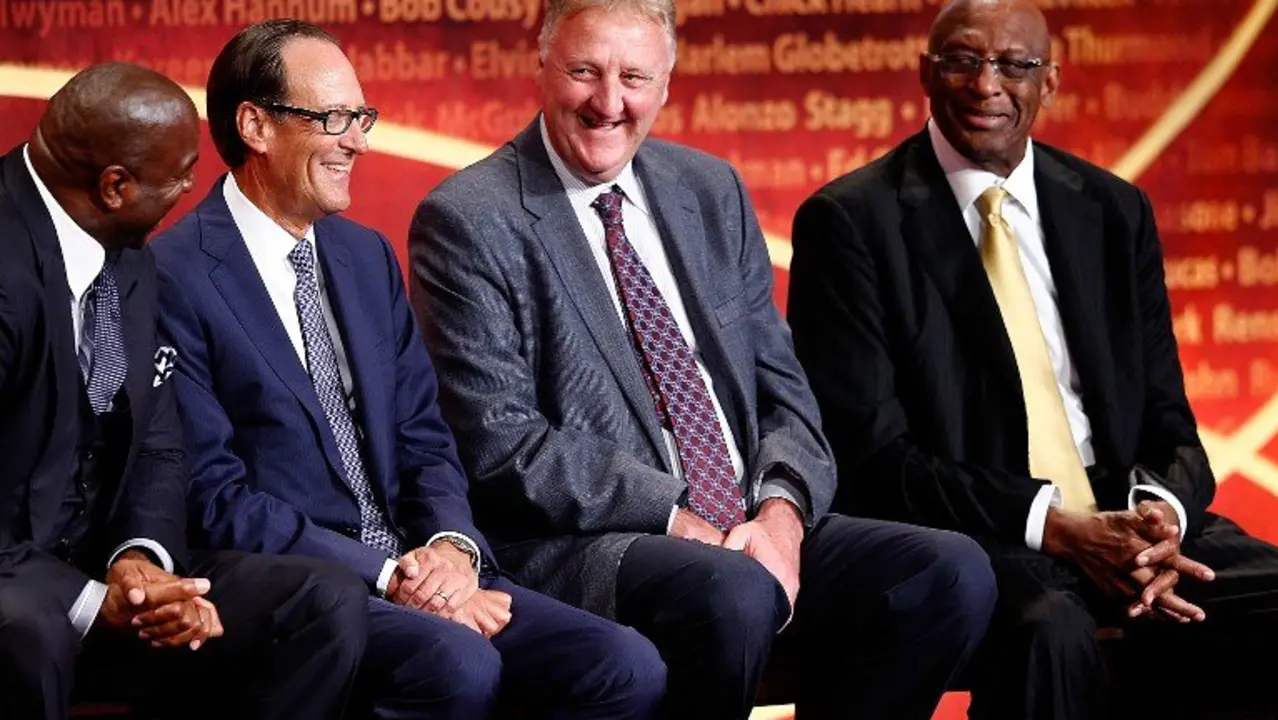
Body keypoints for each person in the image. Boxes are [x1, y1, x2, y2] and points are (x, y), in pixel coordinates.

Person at [408, 0, 997, 717]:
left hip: (747, 526)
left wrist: (780, 515)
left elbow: (786, 394)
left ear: (667, 84)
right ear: (541, 65)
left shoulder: (709, 189)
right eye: (585, 72)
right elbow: (501, 442)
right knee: (731, 591)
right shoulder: (469, 216)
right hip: (596, 541)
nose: (609, 102)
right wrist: (681, 519)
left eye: (634, 77)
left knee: (950, 571)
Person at [151, 19, 665, 720]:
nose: (358, 140)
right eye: (333, 117)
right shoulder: (173, 276)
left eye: (360, 116)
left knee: (621, 667)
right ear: (255, 126)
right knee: (455, 665)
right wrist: (393, 577)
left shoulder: (364, 257)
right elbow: (214, 495)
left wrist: (450, 550)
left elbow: (425, 437)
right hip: (300, 589)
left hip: (419, 567)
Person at [787, 0, 1278, 717]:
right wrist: (1055, 524)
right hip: (988, 535)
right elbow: (872, 458)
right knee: (1048, 633)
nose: (986, 84)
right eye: (962, 59)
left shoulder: (1113, 211)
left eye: (1015, 65)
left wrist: (1157, 521)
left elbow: (1171, 424)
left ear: (1049, 82)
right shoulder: (852, 222)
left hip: (1124, 518)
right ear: (925, 73)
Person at [0, 62, 368, 720]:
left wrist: (140, 561)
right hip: (15, 581)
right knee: (29, 631)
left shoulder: (125, 246)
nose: (194, 188)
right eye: (181, 174)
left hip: (100, 567)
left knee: (321, 600)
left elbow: (158, 442)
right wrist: (87, 601)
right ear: (115, 186)